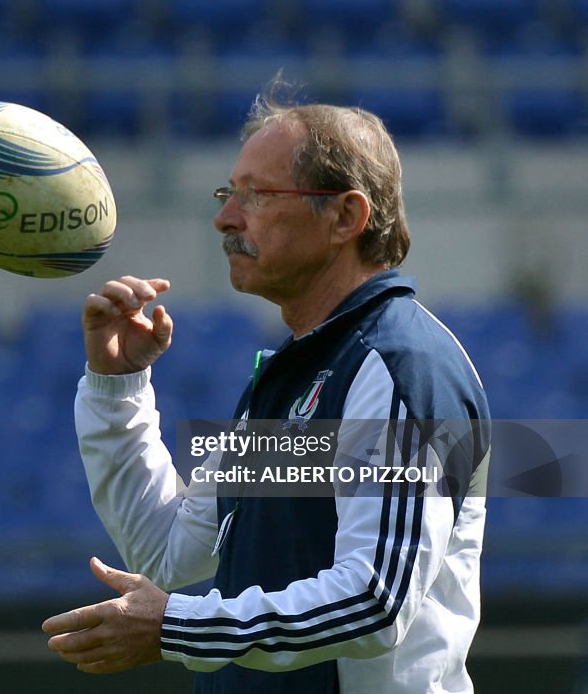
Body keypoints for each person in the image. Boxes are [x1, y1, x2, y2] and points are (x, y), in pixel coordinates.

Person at [41, 88, 491, 693]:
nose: (225, 217)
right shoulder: (292, 375)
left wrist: (177, 627)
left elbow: (373, 599)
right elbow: (168, 550)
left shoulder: (402, 367)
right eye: (228, 194)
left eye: (257, 195)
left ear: (344, 218)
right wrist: (117, 387)